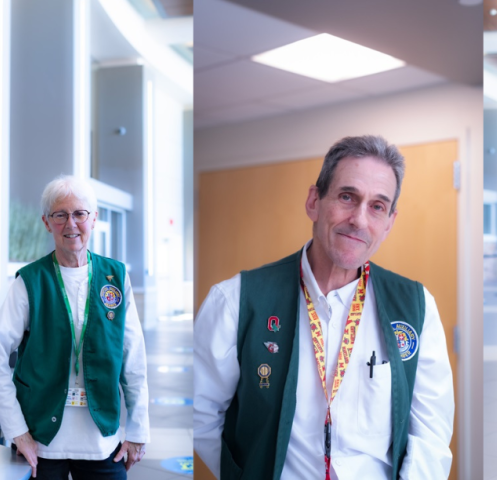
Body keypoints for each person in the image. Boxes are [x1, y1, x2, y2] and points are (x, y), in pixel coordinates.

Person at [193, 135, 454, 479]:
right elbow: (201, 413)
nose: (359, 220)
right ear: (315, 201)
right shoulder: (236, 300)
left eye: (377, 206)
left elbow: (430, 433)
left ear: (389, 222)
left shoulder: (416, 306)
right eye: (348, 197)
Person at [0, 175, 150, 479]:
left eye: (79, 214)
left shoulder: (116, 277)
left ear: (93, 218)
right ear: (47, 223)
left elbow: (132, 357)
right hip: (41, 441)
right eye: (60, 215)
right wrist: (17, 432)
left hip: (102, 440)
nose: (70, 224)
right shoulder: (29, 282)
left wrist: (138, 428)